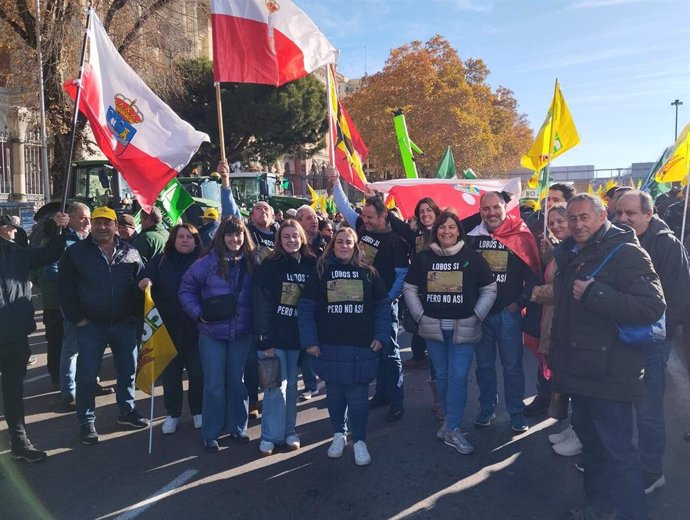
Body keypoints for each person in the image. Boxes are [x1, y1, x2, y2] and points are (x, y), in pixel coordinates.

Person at [551, 193, 665, 520]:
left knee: (619, 454)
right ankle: (598, 507)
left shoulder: (627, 253)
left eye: (584, 217)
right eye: (572, 218)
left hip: (612, 374)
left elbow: (652, 307)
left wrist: (596, 293)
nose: (577, 224)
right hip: (580, 372)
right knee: (593, 449)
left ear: (603, 218)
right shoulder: (574, 251)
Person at [615, 190, 690, 494]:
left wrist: (657, 333)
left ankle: (651, 470)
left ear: (649, 214)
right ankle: (620, 461)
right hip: (619, 337)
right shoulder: (617, 238)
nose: (623, 219)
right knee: (618, 405)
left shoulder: (667, 244)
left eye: (630, 214)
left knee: (647, 412)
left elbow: (678, 297)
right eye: (619, 213)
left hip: (650, 341)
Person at [404, 211, 497, 454]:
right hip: (434, 330)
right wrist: (420, 316)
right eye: (442, 227)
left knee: (458, 378)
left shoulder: (472, 258)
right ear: (436, 230)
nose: (447, 231)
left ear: (459, 231)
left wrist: (477, 315)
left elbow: (489, 288)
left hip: (463, 331)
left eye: (452, 227)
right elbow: (410, 288)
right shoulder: (424, 258)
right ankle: (449, 422)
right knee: (442, 378)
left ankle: (453, 428)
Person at [298, 227, 391, 466]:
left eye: (348, 242)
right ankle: (338, 434)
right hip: (329, 345)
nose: (343, 246)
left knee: (359, 397)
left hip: (362, 346)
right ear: (333, 245)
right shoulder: (320, 271)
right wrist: (310, 340)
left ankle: (359, 440)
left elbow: (382, 307)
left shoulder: (369, 273)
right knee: (335, 395)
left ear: (356, 245)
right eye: (339, 242)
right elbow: (306, 307)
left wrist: (381, 336)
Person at [58, 206, 148, 445]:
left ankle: (127, 412)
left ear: (115, 226)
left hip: (124, 324)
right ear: (91, 225)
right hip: (90, 326)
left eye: (107, 222)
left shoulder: (131, 252)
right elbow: (65, 289)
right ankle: (86, 421)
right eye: (97, 222)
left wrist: (136, 313)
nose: (101, 227)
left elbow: (140, 284)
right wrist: (78, 319)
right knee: (86, 377)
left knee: (128, 371)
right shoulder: (75, 253)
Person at [331, 171, 410, 422]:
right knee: (374, 351)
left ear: (383, 216)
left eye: (370, 217)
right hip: (361, 302)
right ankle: (382, 394)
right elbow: (343, 207)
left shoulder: (395, 241)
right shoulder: (360, 229)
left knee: (389, 352)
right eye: (363, 216)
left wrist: (388, 299)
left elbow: (402, 274)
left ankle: (397, 400)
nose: (364, 220)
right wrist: (335, 183)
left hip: (384, 303)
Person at [179, 217, 258, 453]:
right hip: (212, 333)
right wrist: (198, 314)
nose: (235, 239)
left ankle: (237, 427)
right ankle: (211, 432)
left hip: (241, 333)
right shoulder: (206, 263)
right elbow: (186, 290)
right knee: (213, 384)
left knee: (237, 382)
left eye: (239, 234)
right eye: (230, 235)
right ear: (221, 237)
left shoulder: (253, 262)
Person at [467, 191, 541, 433]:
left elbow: (533, 276)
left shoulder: (520, 234)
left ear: (505, 207)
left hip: (508, 315)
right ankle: (487, 409)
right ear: (480, 211)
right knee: (484, 367)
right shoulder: (472, 236)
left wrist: (517, 304)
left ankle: (516, 413)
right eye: (486, 208)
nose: (491, 213)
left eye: (495, 207)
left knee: (512, 367)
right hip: (480, 315)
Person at [0, 211, 69, 462]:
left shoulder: (16, 253)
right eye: (6, 227)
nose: (11, 231)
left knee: (14, 393)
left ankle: (20, 442)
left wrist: (57, 229)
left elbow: (49, 254)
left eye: (12, 228)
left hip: (15, 335)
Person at [253, 219, 316, 456]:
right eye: (286, 236)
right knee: (273, 389)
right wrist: (265, 340)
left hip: (298, 337)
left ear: (302, 237)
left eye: (295, 236)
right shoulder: (270, 265)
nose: (291, 240)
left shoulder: (311, 263)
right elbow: (261, 304)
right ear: (279, 240)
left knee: (291, 389)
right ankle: (269, 436)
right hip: (274, 337)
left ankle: (290, 431)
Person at [138, 224, 204, 434]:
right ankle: (172, 414)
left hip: (197, 330)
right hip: (168, 330)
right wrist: (144, 282)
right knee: (171, 377)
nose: (185, 240)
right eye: (180, 237)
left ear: (196, 241)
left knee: (198, 374)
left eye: (189, 237)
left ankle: (198, 411)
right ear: (173, 240)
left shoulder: (204, 261)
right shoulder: (161, 261)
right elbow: (144, 278)